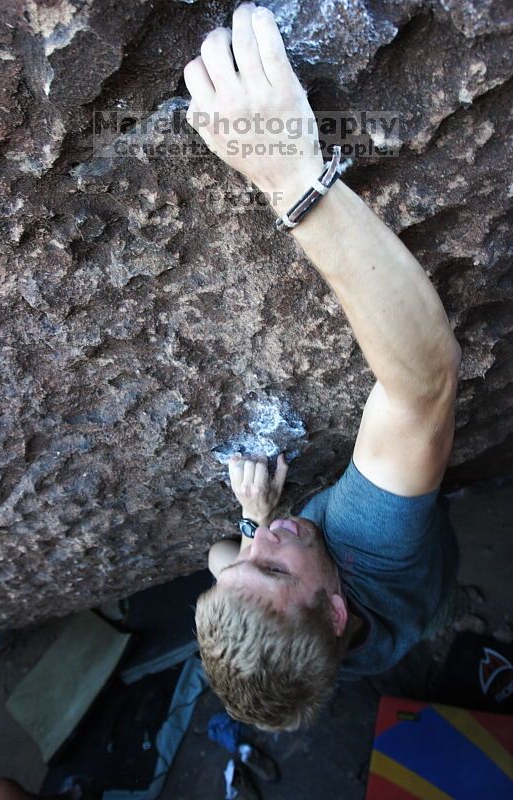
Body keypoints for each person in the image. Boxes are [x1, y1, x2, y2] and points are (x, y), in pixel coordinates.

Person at [186, 2, 461, 731]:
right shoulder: (372, 541)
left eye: (245, 567)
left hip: (407, 617)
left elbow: (223, 557)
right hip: (421, 568)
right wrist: (289, 174)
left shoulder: (329, 648)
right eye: (271, 566)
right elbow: (423, 384)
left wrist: (251, 530)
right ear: (336, 609)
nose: (262, 543)